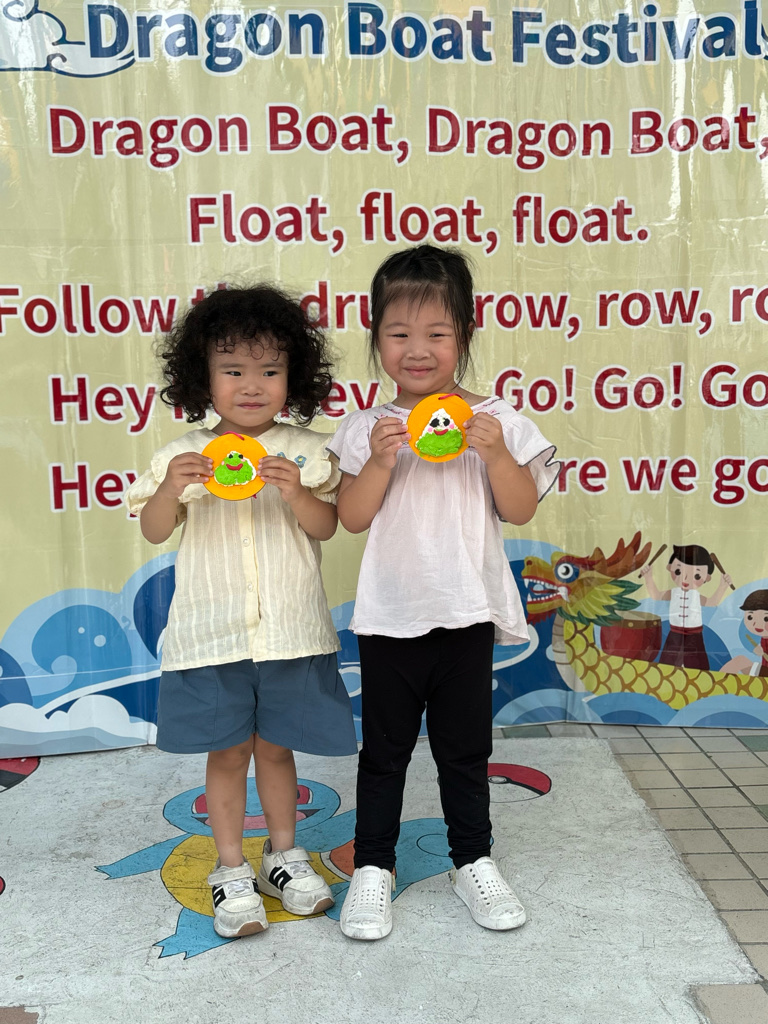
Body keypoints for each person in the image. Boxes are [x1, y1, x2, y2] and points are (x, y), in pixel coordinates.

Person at [327, 245, 561, 940]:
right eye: (398, 333)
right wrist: (379, 460)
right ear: (376, 340)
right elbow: (351, 517)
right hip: (391, 616)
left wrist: (495, 452)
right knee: (384, 752)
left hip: (466, 613)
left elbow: (519, 507)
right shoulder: (368, 427)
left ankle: (472, 861)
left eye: (437, 333)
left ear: (465, 335)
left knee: (464, 750)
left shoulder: (496, 420)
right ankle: (374, 868)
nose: (417, 350)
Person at [124, 285, 357, 940]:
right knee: (227, 754)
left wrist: (296, 492)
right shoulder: (182, 455)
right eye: (232, 370)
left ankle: (284, 856)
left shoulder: (309, 451)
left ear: (294, 377)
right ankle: (231, 868)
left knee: (276, 751)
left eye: (269, 370)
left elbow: (327, 526)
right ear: (203, 378)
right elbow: (153, 528)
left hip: (290, 635)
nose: (251, 386)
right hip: (211, 638)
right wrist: (171, 489)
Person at [640, 544, 733, 670]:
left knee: (698, 667)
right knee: (667, 665)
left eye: (696, 576)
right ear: (670, 568)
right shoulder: (673, 593)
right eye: (678, 571)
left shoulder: (696, 596)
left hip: (694, 636)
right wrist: (648, 577)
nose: (685, 578)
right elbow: (656, 596)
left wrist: (723, 586)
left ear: (707, 577)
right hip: (674, 633)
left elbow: (712, 602)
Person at [721, 589, 768, 676]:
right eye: (750, 617)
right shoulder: (763, 638)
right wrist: (754, 648)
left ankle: (718, 681)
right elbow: (744, 633)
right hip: (764, 670)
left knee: (740, 661)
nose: (757, 624)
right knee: (740, 661)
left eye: (766, 618)